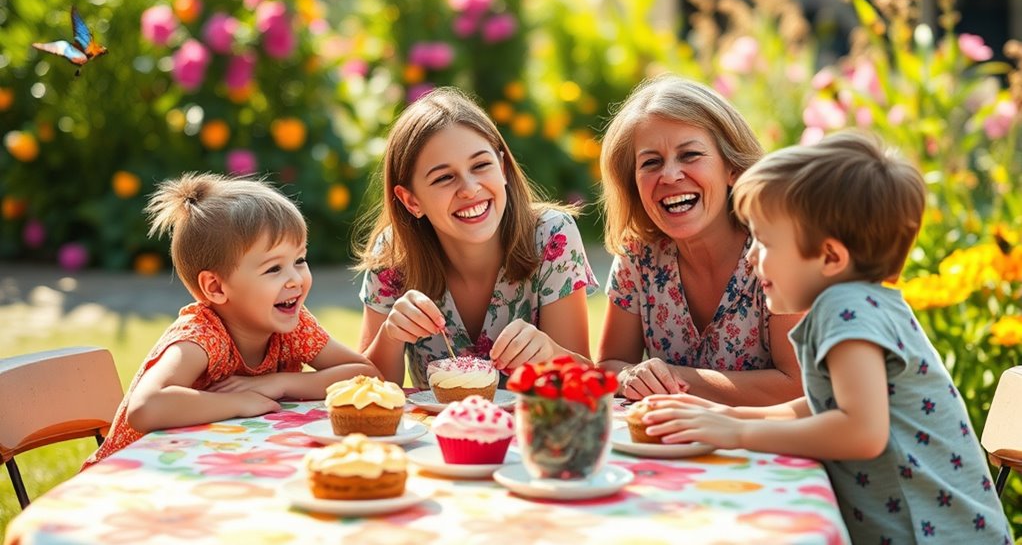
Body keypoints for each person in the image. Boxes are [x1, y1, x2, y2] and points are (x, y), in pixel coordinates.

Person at [640, 130, 1013, 543]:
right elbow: (821, 405)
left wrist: (739, 433)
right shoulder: (860, 304)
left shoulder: (846, 311)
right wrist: (726, 417)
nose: (750, 256)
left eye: (763, 241)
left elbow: (861, 431)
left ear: (831, 257)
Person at [84, 173, 380, 468]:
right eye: (273, 268)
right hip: (127, 478)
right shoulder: (201, 335)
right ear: (216, 287)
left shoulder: (292, 325)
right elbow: (146, 407)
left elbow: (367, 375)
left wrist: (279, 383)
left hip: (202, 468)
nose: (295, 279)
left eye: (299, 260)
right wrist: (239, 403)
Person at [355, 87, 596, 389]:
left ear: (503, 167)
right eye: (444, 178)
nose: (469, 189)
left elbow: (587, 381)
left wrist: (552, 353)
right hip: (440, 435)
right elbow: (368, 391)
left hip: (532, 431)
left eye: (481, 165)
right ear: (411, 201)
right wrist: (389, 336)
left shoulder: (551, 236)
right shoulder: (393, 255)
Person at [596, 74, 802, 405]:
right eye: (651, 162)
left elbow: (797, 387)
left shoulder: (779, 248)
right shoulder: (638, 255)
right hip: (676, 448)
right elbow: (609, 366)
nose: (670, 175)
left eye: (690, 155)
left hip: (768, 450)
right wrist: (630, 376)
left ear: (731, 168)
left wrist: (671, 376)